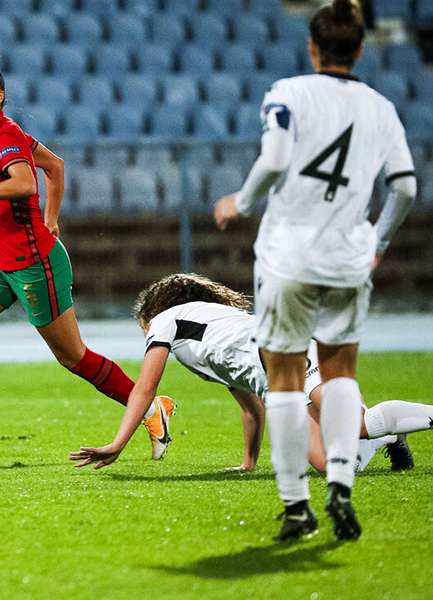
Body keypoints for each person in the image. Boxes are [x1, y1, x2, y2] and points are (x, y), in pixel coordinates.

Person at [213, 0, 416, 541]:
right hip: (348, 256)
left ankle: (296, 505)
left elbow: (276, 159)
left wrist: (241, 202)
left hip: (288, 254)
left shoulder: (287, 92)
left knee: (284, 380)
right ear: (360, 50)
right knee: (340, 372)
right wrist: (378, 241)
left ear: (312, 47)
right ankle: (341, 486)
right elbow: (404, 188)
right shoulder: (381, 107)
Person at [0, 46, 173, 458]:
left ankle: (152, 409)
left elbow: (26, 183)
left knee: (73, 357)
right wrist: (51, 219)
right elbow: (56, 165)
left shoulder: (5, 136)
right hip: (1, 261)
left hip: (34, 265)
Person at [69, 274, 430, 476]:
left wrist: (118, 443)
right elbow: (251, 407)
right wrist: (248, 463)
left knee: (356, 424)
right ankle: (389, 435)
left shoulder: (166, 321)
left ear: (153, 313)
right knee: (329, 465)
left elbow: (145, 388)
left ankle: (395, 422)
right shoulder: (210, 336)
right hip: (278, 380)